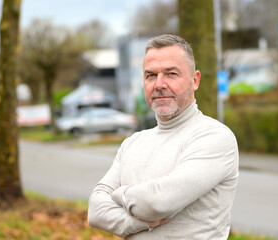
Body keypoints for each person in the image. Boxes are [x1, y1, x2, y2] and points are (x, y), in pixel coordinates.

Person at [88, 34, 239, 240]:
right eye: (151, 75)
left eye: (171, 74)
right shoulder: (132, 143)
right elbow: (95, 211)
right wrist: (138, 223)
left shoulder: (215, 138)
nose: (159, 84)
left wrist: (120, 194)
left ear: (195, 80)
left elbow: (158, 202)